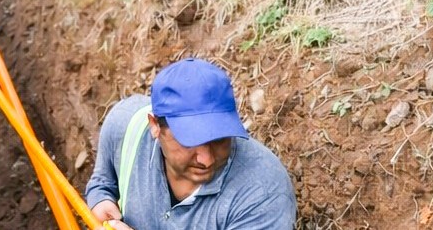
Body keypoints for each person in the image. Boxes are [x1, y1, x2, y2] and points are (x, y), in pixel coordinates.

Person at [85, 58, 297, 229]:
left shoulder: (263, 193)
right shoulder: (124, 126)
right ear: (155, 126)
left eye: (219, 140)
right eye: (190, 140)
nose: (206, 159)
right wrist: (101, 200)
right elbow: (103, 181)